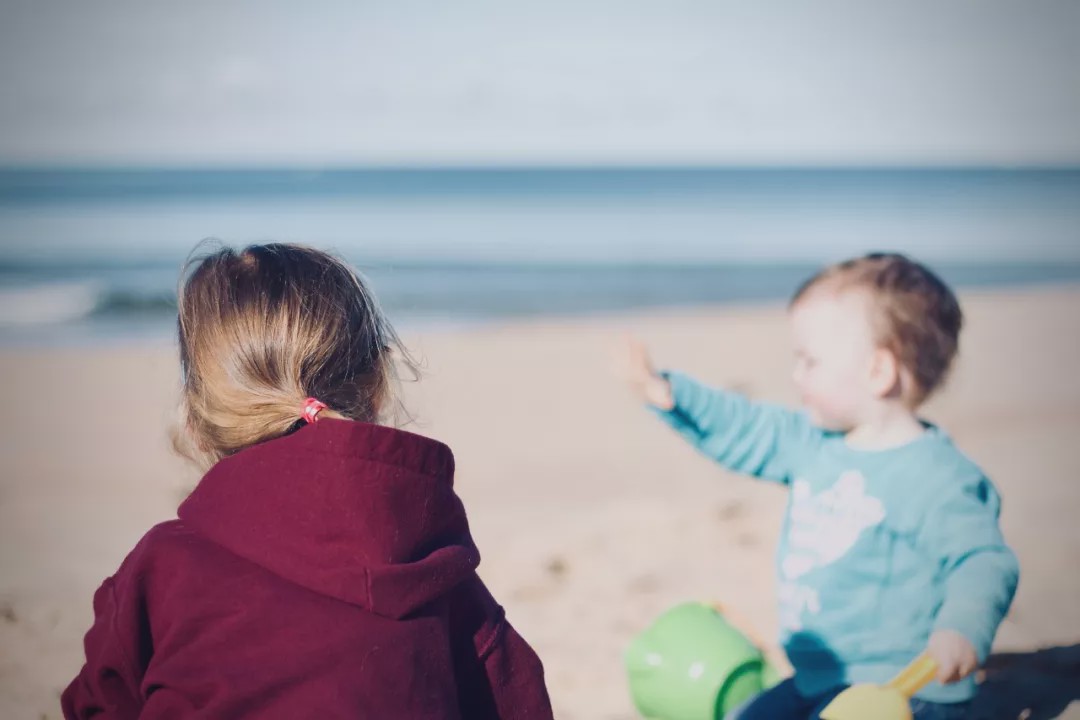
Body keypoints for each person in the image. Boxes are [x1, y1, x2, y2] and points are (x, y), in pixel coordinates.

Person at [62, 242, 553, 719]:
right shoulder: (435, 568)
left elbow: (97, 704)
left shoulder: (162, 567)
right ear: (379, 382)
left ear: (198, 415)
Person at [617, 253, 1019, 719]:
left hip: (904, 689)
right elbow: (748, 428)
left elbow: (984, 560)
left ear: (878, 372)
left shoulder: (935, 476)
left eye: (809, 361)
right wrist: (673, 395)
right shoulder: (814, 443)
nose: (795, 375)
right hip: (818, 678)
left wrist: (962, 629)